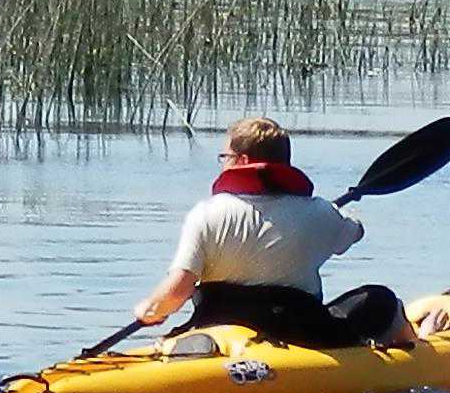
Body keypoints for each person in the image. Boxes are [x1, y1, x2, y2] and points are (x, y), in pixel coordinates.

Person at [127, 118, 407, 351]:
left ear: (242, 160)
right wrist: (330, 213)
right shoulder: (321, 213)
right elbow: (355, 233)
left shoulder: (206, 212)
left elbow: (179, 288)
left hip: (215, 330)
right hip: (300, 335)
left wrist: (150, 309)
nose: (222, 163)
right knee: (379, 298)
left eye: (225, 157)